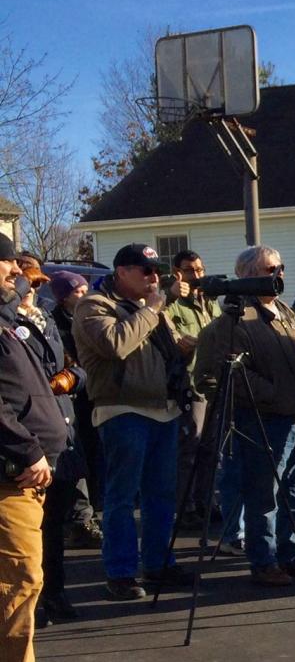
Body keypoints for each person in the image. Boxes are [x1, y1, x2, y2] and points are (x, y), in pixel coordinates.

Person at [194, 245, 295, 586]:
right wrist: (274, 394)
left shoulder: (284, 310)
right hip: (262, 419)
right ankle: (264, 559)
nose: (279, 274)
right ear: (248, 275)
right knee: (264, 494)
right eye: (271, 269)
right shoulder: (233, 321)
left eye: (281, 267)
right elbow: (219, 376)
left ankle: (292, 552)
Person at [73, 243, 192, 600]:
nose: (154, 277)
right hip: (123, 410)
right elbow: (116, 344)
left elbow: (167, 350)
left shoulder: (150, 308)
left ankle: (158, 563)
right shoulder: (93, 306)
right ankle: (121, 573)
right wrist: (154, 308)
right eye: (145, 271)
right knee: (121, 497)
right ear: (121, 271)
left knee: (160, 496)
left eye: (156, 271)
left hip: (163, 409)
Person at [0, 235, 69, 662]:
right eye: (5, 267)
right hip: (12, 478)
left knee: (23, 583)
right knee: (18, 583)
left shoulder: (9, 323)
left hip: (26, 476)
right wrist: (28, 450)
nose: (15, 274)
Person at [8, 271, 88, 625]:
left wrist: (72, 378)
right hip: (27, 440)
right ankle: (34, 607)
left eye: (38, 284)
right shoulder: (10, 326)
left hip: (61, 427)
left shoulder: (47, 322)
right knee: (27, 537)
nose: (31, 290)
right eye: (26, 282)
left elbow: (73, 365)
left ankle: (55, 594)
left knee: (54, 524)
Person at [44, 271, 104, 547]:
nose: (84, 295)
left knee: (93, 457)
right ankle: (81, 519)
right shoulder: (55, 323)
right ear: (64, 297)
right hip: (69, 402)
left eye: (85, 289)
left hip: (92, 396)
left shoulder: (92, 316)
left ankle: (90, 512)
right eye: (78, 291)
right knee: (73, 459)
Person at [163, 250, 221, 525]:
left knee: (212, 449)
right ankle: (184, 509)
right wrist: (172, 292)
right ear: (178, 272)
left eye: (200, 269)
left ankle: (206, 502)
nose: (197, 275)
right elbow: (171, 337)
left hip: (214, 383)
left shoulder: (210, 300)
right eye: (190, 270)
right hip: (190, 381)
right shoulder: (172, 302)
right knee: (189, 449)